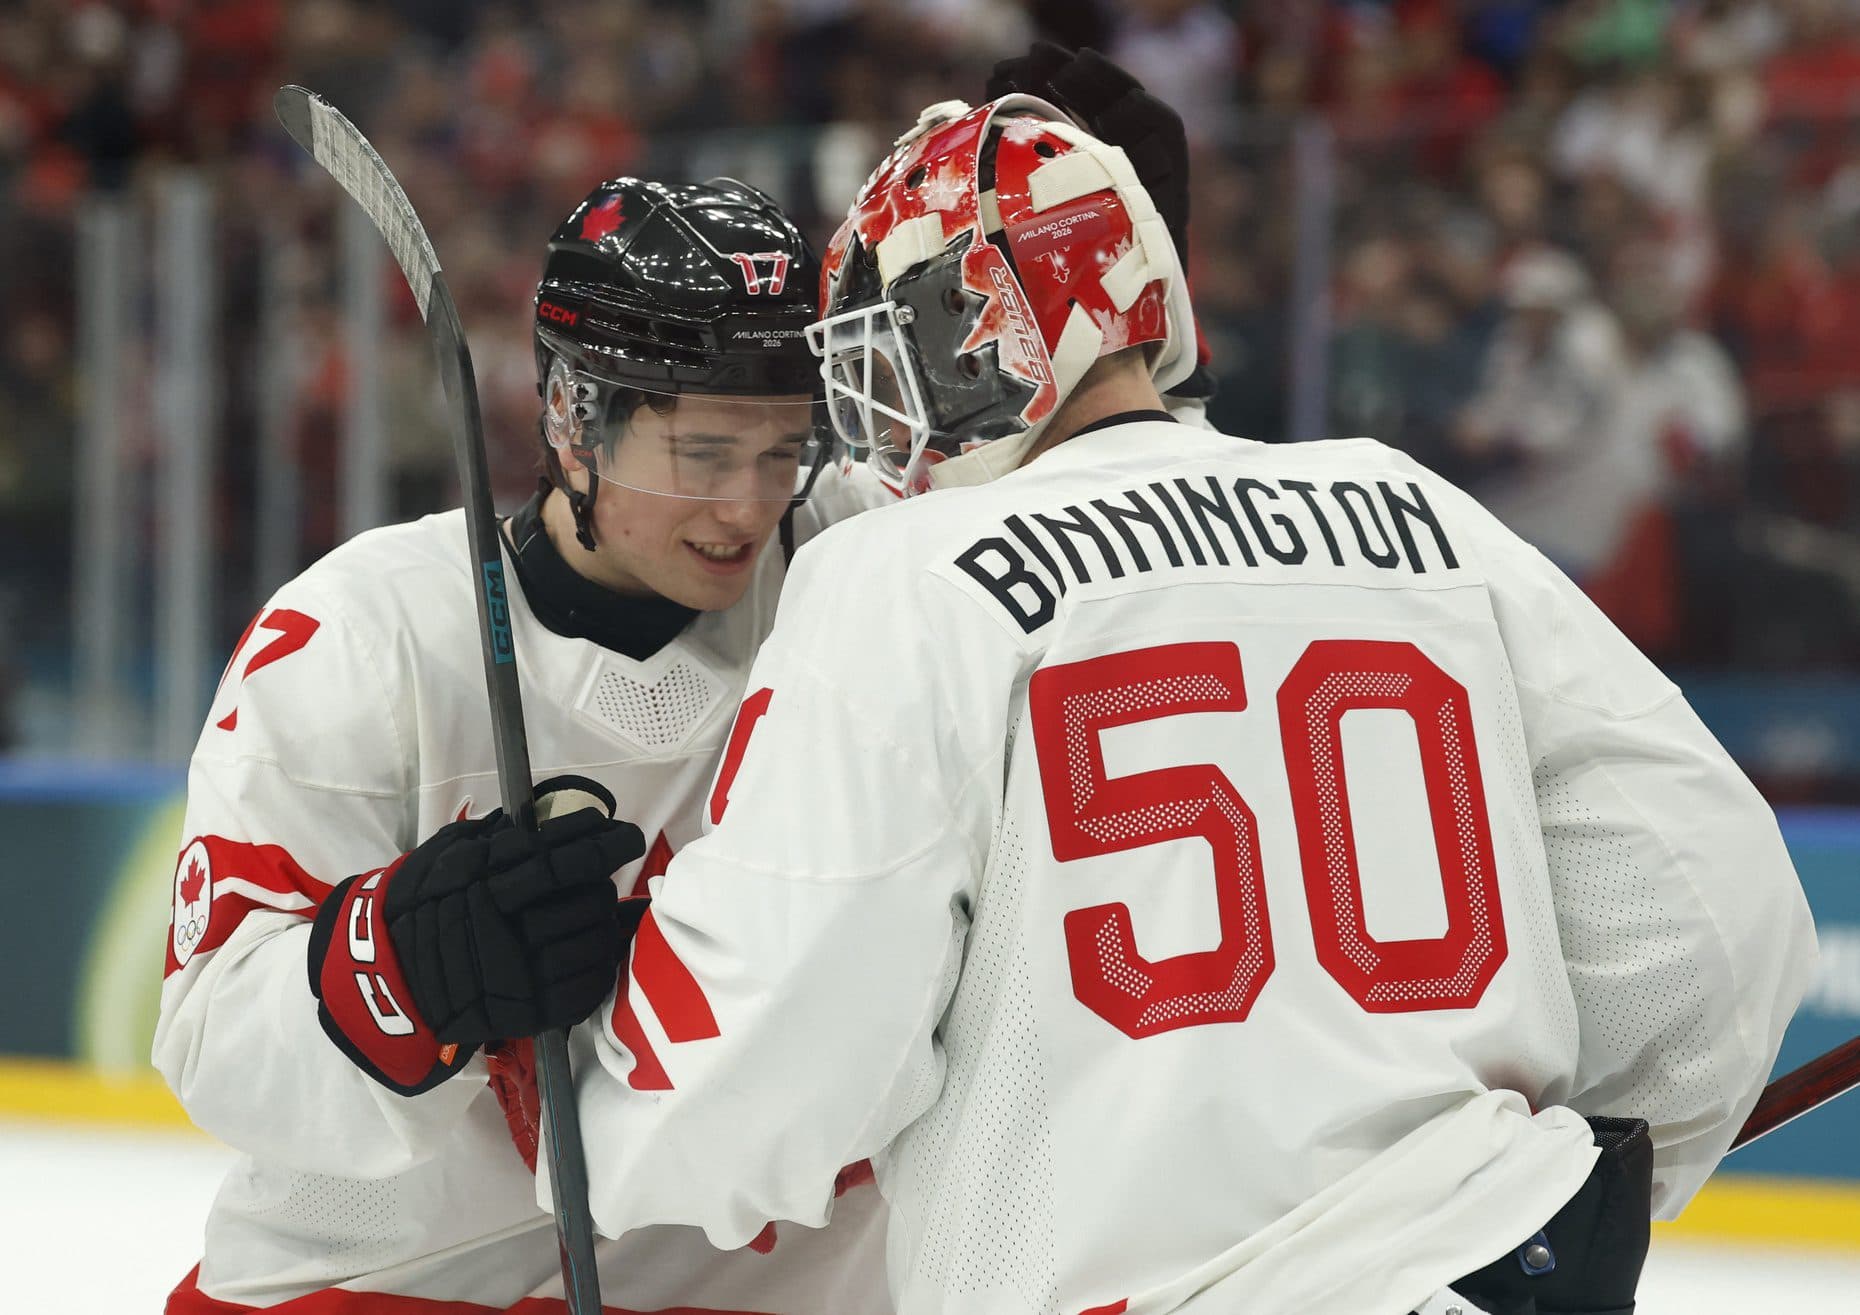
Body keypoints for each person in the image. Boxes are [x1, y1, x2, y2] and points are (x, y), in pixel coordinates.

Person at [490, 95, 1815, 1314]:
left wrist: (574, 1108)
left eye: (900, 344)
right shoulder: (1419, 512)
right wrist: (1515, 1198)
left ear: (988, 335)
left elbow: (739, 1087)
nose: (875, 402)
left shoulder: (904, 578)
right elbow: (1719, 916)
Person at [152, 176, 897, 1313]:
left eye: (780, 452)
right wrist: (403, 963)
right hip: (407, 1282)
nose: (747, 507)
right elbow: (213, 1039)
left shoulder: (858, 568)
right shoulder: (365, 631)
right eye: (700, 456)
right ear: (573, 421)